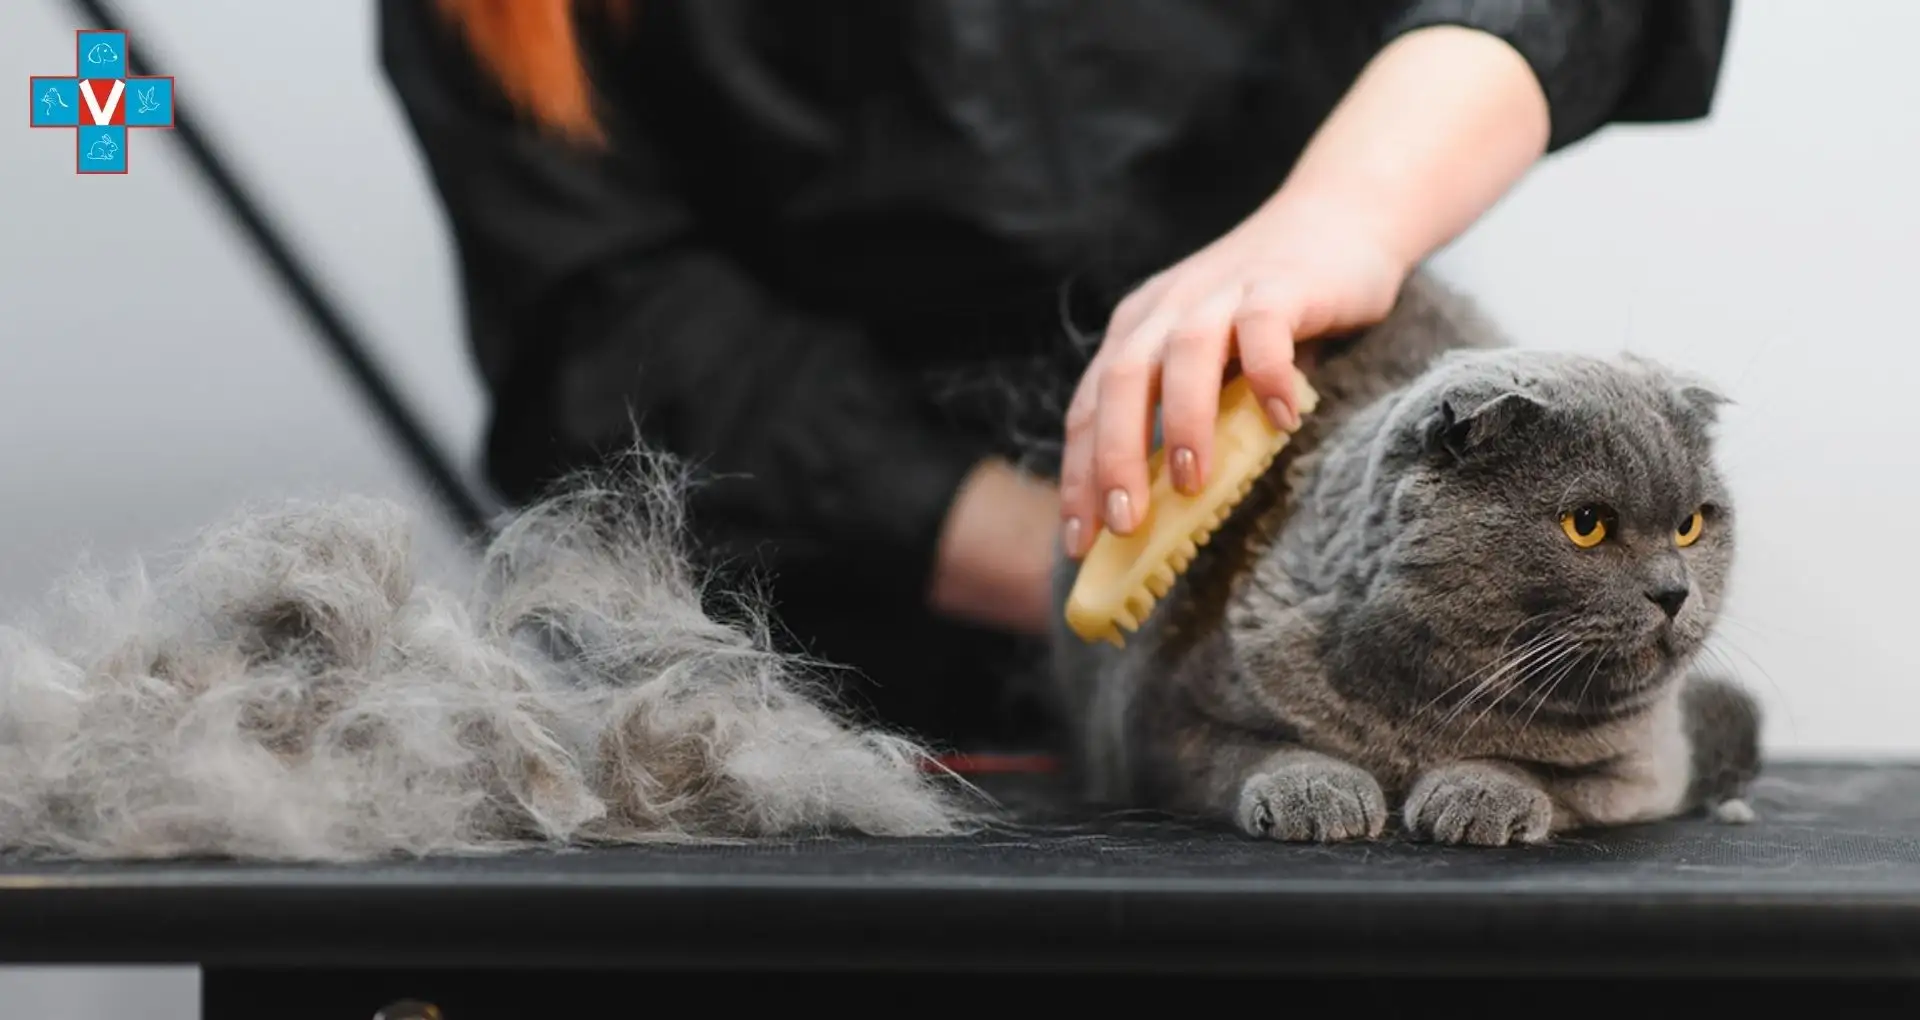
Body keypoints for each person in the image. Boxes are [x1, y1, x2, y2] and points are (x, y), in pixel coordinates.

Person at [379, 0, 1734, 748]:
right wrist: (1082, 562)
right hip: (796, 682)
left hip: (1305, 566)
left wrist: (1345, 218)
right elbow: (619, 321)